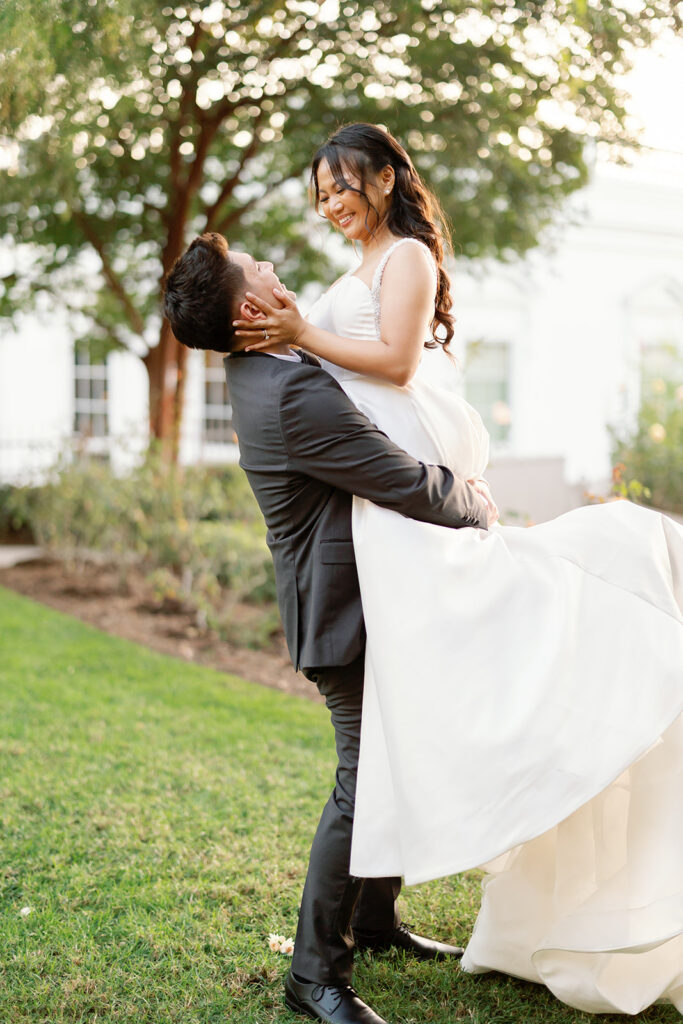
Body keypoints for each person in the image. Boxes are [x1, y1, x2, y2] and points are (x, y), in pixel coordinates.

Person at [231, 123, 683, 1016]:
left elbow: (397, 364)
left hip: (408, 519)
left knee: (396, 746)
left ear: (389, 176)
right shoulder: (328, 307)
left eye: (344, 183)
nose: (331, 202)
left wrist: (301, 330)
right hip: (387, 529)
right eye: (319, 190)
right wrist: (301, 331)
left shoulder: (404, 260)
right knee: (382, 755)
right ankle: (341, 946)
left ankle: (357, 931)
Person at [163, 231, 496, 1024]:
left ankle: (375, 920)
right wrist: (479, 500)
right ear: (251, 306)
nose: (274, 266)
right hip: (341, 609)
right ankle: (314, 975)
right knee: (362, 778)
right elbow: (401, 482)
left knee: (392, 757)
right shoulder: (288, 392)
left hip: (364, 596)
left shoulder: (263, 370)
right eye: (258, 266)